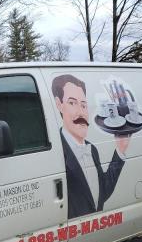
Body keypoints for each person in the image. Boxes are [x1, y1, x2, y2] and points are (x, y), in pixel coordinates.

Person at [52, 74, 130, 218]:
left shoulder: (92, 149)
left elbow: (102, 192)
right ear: (59, 104)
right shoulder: (54, 152)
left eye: (83, 105)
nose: (81, 112)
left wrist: (120, 149)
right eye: (72, 103)